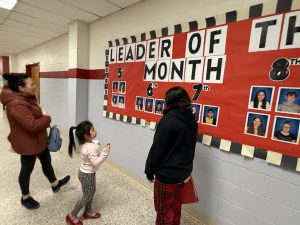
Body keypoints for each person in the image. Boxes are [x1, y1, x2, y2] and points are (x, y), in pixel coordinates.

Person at [0, 73, 70, 210]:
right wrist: (47, 117)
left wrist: (40, 113)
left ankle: (55, 184)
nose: (35, 86)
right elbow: (32, 126)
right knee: (26, 170)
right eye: (31, 84)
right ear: (21, 88)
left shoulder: (26, 97)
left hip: (38, 139)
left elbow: (34, 116)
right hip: (28, 144)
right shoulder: (15, 104)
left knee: (46, 162)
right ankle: (25, 197)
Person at [145, 86, 198, 225]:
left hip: (167, 176)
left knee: (163, 211)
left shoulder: (167, 121)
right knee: (175, 207)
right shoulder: (192, 119)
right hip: (184, 174)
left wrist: (149, 171)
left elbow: (157, 150)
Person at [66, 121, 111, 225]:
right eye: (93, 130)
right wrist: (105, 152)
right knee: (87, 196)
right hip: (87, 175)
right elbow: (95, 163)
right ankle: (71, 215)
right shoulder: (91, 147)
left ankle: (87, 212)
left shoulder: (85, 143)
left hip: (85, 173)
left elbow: (89, 147)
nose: (95, 130)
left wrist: (95, 143)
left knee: (91, 192)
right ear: (86, 136)